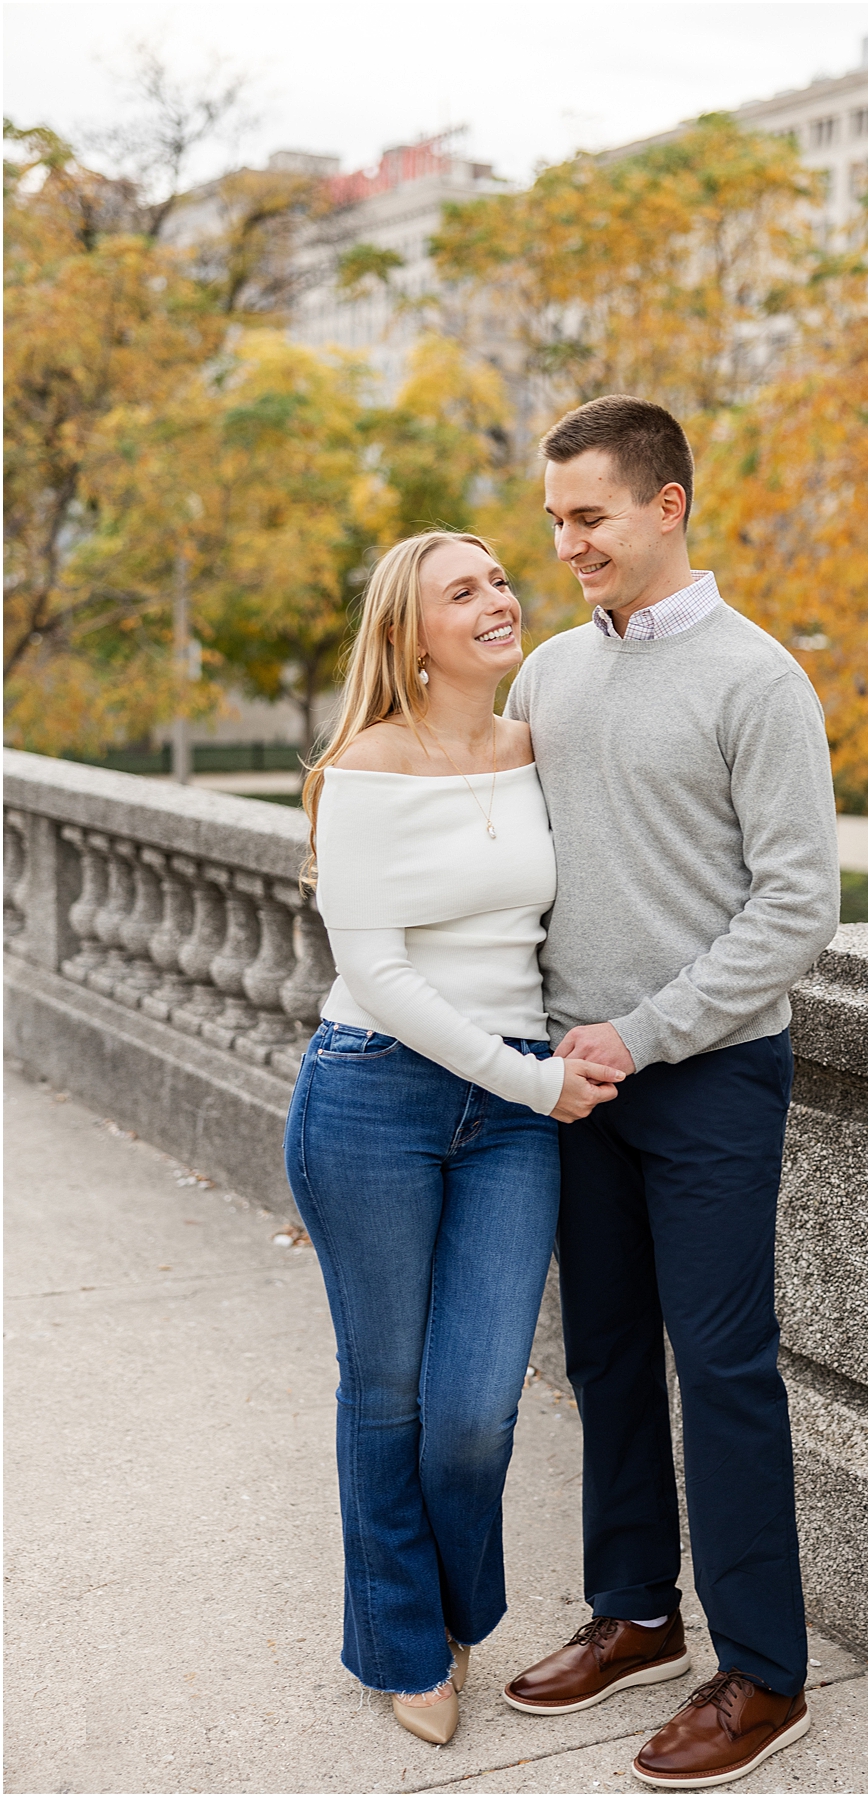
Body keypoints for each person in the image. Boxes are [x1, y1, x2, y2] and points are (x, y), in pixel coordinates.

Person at [501, 396, 840, 1790]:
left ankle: (764, 1673)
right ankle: (636, 1612)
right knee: (603, 1362)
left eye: (588, 516)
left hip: (706, 1077)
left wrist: (644, 1032)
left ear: (666, 506)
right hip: (574, 1082)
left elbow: (798, 908)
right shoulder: (548, 681)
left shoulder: (758, 681)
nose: (567, 543)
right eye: (556, 520)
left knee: (724, 1369)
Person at [284, 530, 625, 1747]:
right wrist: (533, 1087)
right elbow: (373, 972)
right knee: (384, 1393)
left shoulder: (540, 749)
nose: (498, 598)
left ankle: (449, 1610)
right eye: (461, 590)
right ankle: (404, 1644)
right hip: (374, 1093)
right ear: (409, 634)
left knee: (475, 1409)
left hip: (513, 1107)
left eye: (497, 578)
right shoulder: (364, 770)